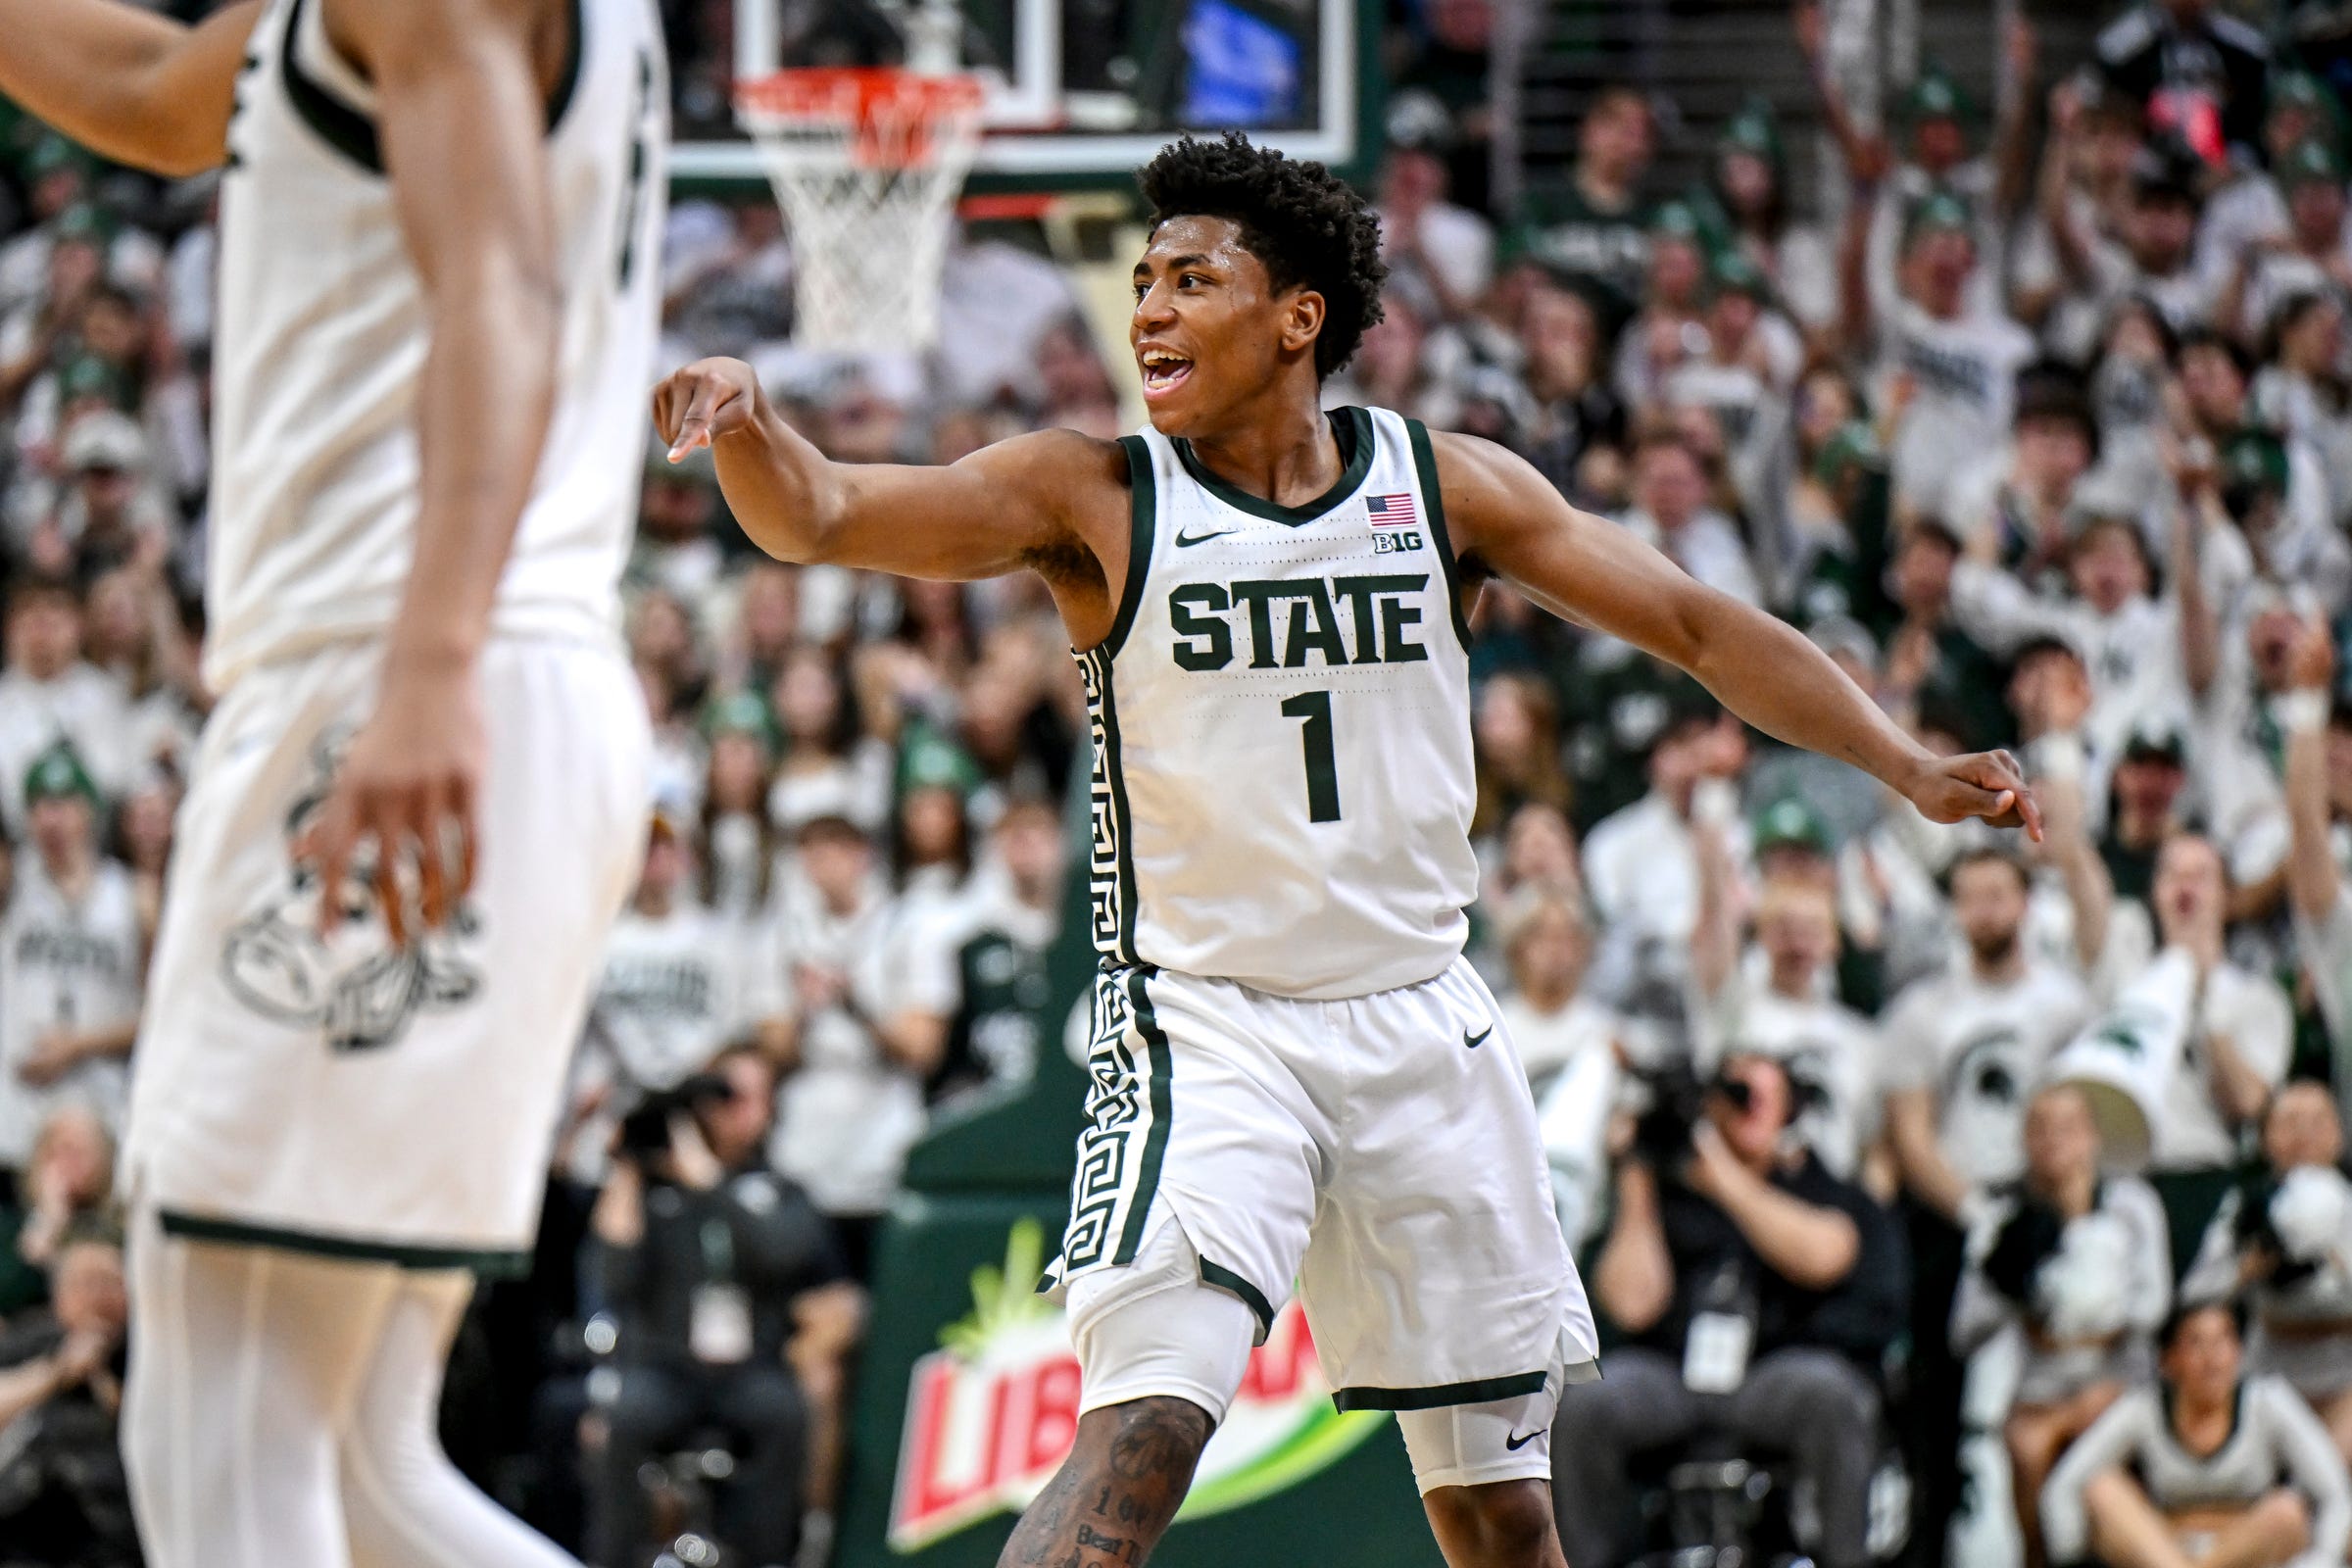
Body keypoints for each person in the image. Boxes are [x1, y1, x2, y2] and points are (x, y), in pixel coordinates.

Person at [653, 132, 2038, 1568]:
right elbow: (822, 512)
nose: (1149, 311)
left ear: (1297, 316)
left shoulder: (1444, 487)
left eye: (1192, 281)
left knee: (1503, 1517)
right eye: (1143, 284)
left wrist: (1904, 762)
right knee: (1143, 1434)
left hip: (1421, 1021)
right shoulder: (1098, 495)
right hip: (1212, 1025)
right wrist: (753, 424)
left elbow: (1697, 625)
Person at [0, 0, 667, 1563]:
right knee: (361, 1470)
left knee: (218, 1440)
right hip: (488, 678)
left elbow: (498, 283)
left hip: (395, 673)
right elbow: (160, 89)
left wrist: (427, 664)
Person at [1551, 1053, 1908, 1568]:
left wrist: (1722, 1174)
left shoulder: (1815, 1184)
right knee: (1587, 1402)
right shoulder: (1672, 1189)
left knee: (1832, 1393)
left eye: (1761, 1095)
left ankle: (1844, 1561)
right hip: (1676, 1375)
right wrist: (1635, 1173)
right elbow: (1631, 1305)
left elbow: (1826, 1256)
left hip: (1771, 1371)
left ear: (1789, 1111)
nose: (1746, 1106)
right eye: (1735, 1093)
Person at [587, 1047, 859, 1568]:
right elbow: (614, 1279)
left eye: (744, 1098)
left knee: (785, 1416)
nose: (730, 1112)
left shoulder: (778, 1190)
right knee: (624, 1418)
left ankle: (766, 1558)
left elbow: (784, 1255)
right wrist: (627, 1170)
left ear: (770, 1108)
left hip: (750, 1369)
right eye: (720, 1098)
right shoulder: (655, 1192)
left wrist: (709, 1183)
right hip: (667, 1369)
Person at [1951, 1083, 2173, 1568]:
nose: (2054, 1141)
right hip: (2038, 1396)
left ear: (2093, 1136)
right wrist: (2011, 1290)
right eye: (2040, 1128)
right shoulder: (2000, 1219)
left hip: (2119, 1387)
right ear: (2023, 1140)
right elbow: (1964, 1330)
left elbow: (2152, 1309)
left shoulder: (2133, 1207)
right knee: (2027, 1448)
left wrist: (2075, 1314)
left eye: (2068, 1128)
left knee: (2101, 1444)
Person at [2042, 1301, 2349, 1568]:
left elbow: (2334, 1492)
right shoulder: (2143, 1407)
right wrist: (2069, 1556)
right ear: (2168, 1360)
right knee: (2103, 1487)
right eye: (2195, 1343)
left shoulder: (2268, 1401)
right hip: (2162, 1550)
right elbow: (2066, 1483)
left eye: (2222, 1341)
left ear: (2239, 1352)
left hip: (2251, 1552)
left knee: (2287, 1511)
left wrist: (2322, 1559)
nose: (2211, 1358)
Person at [2179, 1084, 2352, 1460]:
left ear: (2338, 1134)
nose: (2303, 1134)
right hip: (2272, 1368)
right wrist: (2247, 1269)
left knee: (2332, 1461)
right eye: (2289, 1122)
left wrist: (2335, 1261)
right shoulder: (2245, 1206)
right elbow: (2195, 1294)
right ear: (2266, 1137)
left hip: (2345, 1369)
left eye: (2317, 1122)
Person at [0, 745, 143, 1185]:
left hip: (102, 1120)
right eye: (39, 806)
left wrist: (78, 1045)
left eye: (63, 804)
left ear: (90, 811)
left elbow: (159, 1018)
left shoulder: (135, 897)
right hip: (15, 1118)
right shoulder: (13, 888)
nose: (50, 819)